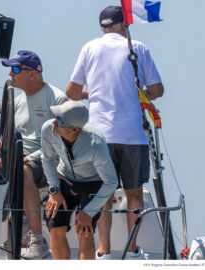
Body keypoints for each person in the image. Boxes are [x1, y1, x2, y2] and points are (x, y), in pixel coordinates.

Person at [66, 6, 164, 259]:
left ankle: (104, 252)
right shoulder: (137, 48)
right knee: (133, 194)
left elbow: (72, 93)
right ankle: (131, 252)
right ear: (124, 24)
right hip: (132, 135)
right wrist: (141, 93)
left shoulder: (89, 48)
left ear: (102, 27)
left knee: (104, 194)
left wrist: (93, 92)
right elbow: (157, 90)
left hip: (99, 136)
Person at [0, 50, 68, 259]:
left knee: (23, 171)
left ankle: (37, 241)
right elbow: (9, 136)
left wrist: (28, 157)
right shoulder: (16, 102)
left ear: (33, 73)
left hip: (46, 161)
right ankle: (16, 216)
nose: (10, 75)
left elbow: (62, 141)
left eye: (15, 69)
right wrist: (2, 147)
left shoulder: (57, 98)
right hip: (16, 158)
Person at [41, 101, 118, 260]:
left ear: (75, 129)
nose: (54, 121)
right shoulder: (48, 129)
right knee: (55, 226)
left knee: (84, 232)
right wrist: (54, 190)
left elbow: (111, 182)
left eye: (60, 120)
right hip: (64, 178)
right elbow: (47, 159)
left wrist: (88, 212)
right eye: (56, 115)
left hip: (91, 183)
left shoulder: (96, 144)